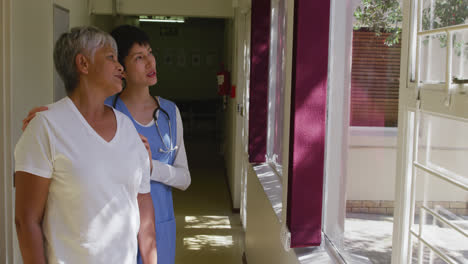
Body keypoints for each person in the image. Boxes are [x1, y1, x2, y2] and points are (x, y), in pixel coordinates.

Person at [22, 25, 191, 264]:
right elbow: (27, 217)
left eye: (150, 53)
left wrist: (149, 165)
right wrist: (46, 120)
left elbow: (178, 182)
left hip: (153, 226)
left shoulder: (159, 117)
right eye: (138, 57)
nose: (150, 62)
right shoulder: (65, 121)